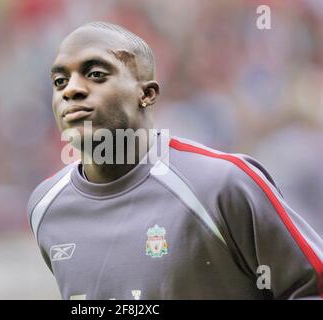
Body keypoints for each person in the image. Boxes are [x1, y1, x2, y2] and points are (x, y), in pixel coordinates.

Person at [27, 21, 323, 299]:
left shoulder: (221, 185)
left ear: (147, 94)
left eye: (96, 75)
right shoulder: (46, 207)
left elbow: (313, 284)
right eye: (59, 80)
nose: (71, 90)